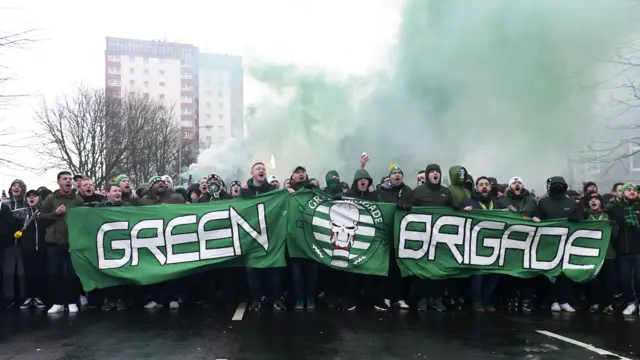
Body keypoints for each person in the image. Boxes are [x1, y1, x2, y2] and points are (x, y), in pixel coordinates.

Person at [240, 162, 285, 311]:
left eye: (264, 169)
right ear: (252, 173)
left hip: (270, 235)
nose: (262, 170)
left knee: (274, 271)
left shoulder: (273, 190)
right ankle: (256, 299)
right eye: (258, 169)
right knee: (253, 271)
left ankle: (276, 299)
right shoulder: (244, 192)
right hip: (251, 236)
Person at [40, 171, 85, 314]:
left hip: (71, 242)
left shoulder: (77, 199)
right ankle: (57, 303)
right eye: (65, 179)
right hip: (54, 242)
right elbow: (41, 218)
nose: (68, 181)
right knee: (54, 273)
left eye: (70, 179)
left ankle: (72, 302)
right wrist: (55, 213)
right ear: (58, 182)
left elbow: (84, 221)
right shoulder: (51, 198)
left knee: (71, 274)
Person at [412, 164, 454, 312]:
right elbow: (410, 208)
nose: (435, 174)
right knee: (423, 270)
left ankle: (437, 299)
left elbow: (453, 208)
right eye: (432, 172)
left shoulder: (445, 191)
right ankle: (422, 299)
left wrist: (458, 207)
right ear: (428, 175)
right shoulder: (418, 191)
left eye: (437, 172)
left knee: (440, 270)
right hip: (423, 238)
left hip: (441, 239)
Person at [536, 176, 582, 312]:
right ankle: (553, 301)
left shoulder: (572, 203)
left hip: (567, 244)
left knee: (566, 275)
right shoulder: (543, 203)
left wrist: (577, 217)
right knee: (551, 275)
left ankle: (564, 300)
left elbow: (580, 218)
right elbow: (538, 218)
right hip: (549, 243)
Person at [463, 176, 505, 312]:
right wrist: (464, 211)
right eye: (481, 184)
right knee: (478, 275)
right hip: (476, 246)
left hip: (495, 246)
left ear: (490, 187)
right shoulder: (469, 202)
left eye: (486, 184)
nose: (484, 186)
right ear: (476, 188)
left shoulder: (497, 203)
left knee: (493, 275)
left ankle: (486, 300)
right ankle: (476, 301)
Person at [499, 176, 540, 312]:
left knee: (527, 272)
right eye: (514, 183)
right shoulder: (502, 201)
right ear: (510, 186)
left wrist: (537, 218)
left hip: (528, 242)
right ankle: (511, 299)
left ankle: (527, 300)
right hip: (509, 242)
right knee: (510, 273)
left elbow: (540, 217)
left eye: (519, 183)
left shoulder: (531, 201)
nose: (517, 184)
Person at [377, 163, 413, 310]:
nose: (397, 175)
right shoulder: (381, 191)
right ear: (389, 177)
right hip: (387, 234)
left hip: (403, 236)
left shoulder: (408, 191)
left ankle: (400, 297)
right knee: (387, 267)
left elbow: (414, 204)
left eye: (399, 173)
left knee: (401, 267)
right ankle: (385, 297)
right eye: (394, 173)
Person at [605, 183, 640, 315]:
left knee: (639, 278)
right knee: (625, 279)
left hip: (638, 250)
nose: (632, 192)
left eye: (634, 190)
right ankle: (631, 302)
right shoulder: (614, 208)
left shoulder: (638, 206)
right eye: (629, 190)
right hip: (622, 250)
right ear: (622, 193)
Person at [98, 184, 131, 311]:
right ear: (107, 193)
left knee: (122, 273)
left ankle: (121, 299)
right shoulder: (100, 207)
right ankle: (110, 299)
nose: (118, 193)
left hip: (123, 243)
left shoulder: (127, 207)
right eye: (114, 191)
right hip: (106, 245)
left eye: (119, 191)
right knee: (108, 273)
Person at [18, 189, 47, 309]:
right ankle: (29, 297)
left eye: (34, 196)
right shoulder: (22, 213)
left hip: (41, 249)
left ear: (39, 198)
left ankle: (38, 297)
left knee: (40, 273)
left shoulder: (43, 212)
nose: (32, 198)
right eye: (29, 196)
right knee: (28, 273)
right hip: (26, 249)